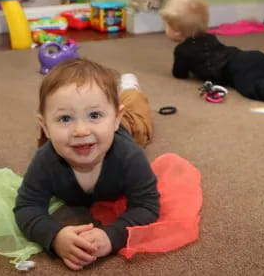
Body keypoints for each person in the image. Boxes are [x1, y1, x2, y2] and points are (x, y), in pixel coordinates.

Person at [14, 58, 160, 270]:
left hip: (128, 128)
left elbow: (147, 205)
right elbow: (26, 207)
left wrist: (112, 235)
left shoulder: (129, 156)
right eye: (65, 119)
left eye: (94, 115)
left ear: (115, 118)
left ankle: (130, 89)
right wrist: (55, 236)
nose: (81, 131)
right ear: (44, 126)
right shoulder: (46, 160)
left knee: (140, 118)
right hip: (90, 129)